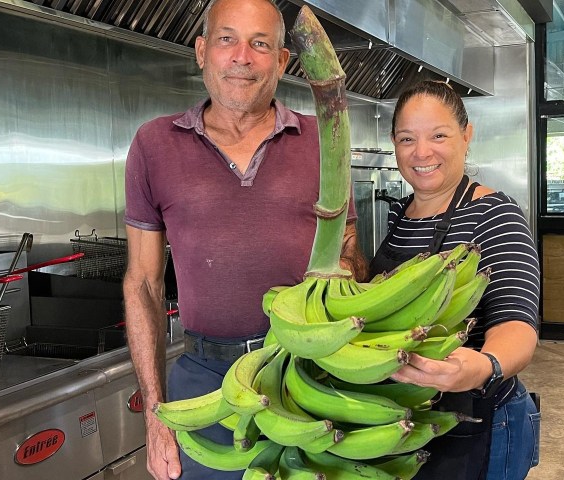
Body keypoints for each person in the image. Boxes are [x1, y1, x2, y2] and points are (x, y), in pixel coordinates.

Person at [122, 1, 367, 479]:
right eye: (227, 39)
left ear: (281, 61)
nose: (242, 57)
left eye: (260, 44)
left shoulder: (324, 140)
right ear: (201, 51)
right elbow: (144, 286)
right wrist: (156, 416)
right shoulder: (154, 144)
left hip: (308, 375)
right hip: (204, 379)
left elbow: (349, 259)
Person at [371, 80, 541, 480]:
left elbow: (517, 323)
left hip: (478, 420)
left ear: (467, 135)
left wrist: (484, 364)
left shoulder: (495, 214)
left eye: (439, 135)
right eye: (407, 138)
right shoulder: (401, 216)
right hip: (409, 422)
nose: (421, 152)